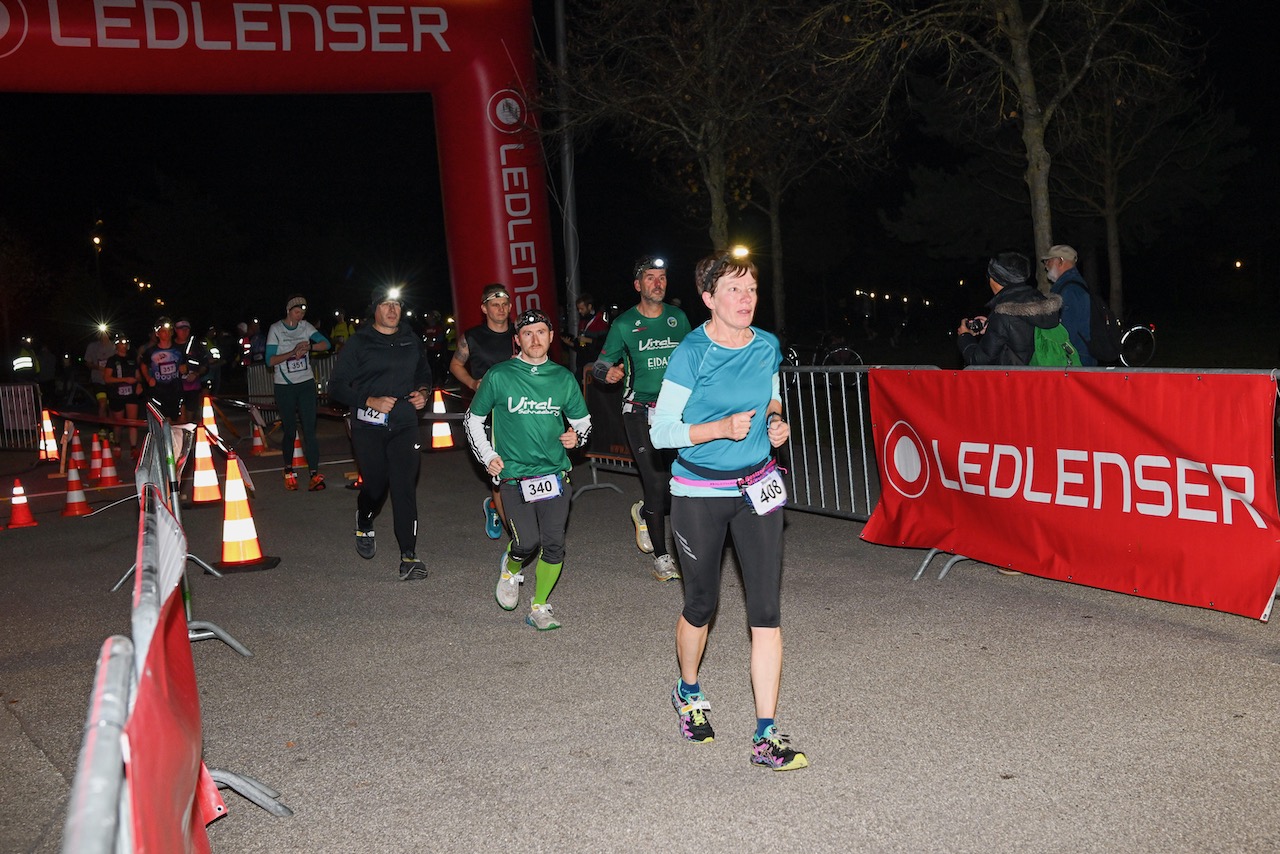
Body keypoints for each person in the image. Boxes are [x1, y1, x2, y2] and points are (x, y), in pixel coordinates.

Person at [650, 248, 808, 771]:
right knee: (702, 605)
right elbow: (662, 430)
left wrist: (776, 420)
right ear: (708, 298)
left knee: (766, 612)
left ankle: (767, 733)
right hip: (698, 492)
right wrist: (718, 429)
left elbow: (770, 392)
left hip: (757, 487)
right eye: (734, 290)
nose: (746, 299)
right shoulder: (692, 353)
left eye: (752, 289)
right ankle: (688, 690)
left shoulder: (766, 345)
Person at [463, 308, 591, 630]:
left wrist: (577, 437)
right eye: (528, 333)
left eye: (542, 332)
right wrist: (487, 455)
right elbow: (473, 420)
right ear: (517, 339)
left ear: (550, 337)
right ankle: (511, 566)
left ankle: (540, 605)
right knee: (526, 542)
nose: (535, 339)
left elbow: (584, 422)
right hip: (514, 476)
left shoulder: (563, 378)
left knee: (555, 543)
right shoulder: (499, 375)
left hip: (554, 475)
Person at [593, 256, 691, 582]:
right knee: (657, 482)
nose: (657, 283)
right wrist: (609, 373)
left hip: (675, 412)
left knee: (682, 484)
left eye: (662, 277)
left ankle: (645, 513)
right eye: (650, 278)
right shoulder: (624, 324)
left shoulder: (678, 318)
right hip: (638, 411)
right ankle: (663, 558)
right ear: (638, 285)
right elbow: (599, 366)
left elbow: (693, 361)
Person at [328, 285, 432, 581]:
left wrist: (423, 392)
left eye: (396, 305)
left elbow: (424, 373)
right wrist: (369, 400)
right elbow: (336, 387)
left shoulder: (411, 340)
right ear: (374, 309)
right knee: (376, 485)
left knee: (403, 487)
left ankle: (409, 556)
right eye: (385, 304)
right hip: (368, 425)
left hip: (404, 424)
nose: (392, 310)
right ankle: (365, 517)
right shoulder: (359, 343)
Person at [450, 283, 518, 540]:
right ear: (484, 308)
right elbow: (456, 363)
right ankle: (515, 536)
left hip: (520, 412)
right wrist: (472, 383)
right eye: (494, 304)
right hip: (488, 414)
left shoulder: (521, 334)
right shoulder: (472, 337)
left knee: (522, 470)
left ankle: (496, 507)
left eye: (504, 304)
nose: (500, 309)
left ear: (510, 307)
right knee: (499, 474)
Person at [266, 295, 332, 491]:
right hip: (284, 386)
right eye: (297, 311)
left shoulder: (305, 327)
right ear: (288, 311)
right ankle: (288, 470)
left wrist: (309, 346)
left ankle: (314, 474)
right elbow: (270, 361)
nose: (300, 315)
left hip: (305, 384)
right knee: (289, 430)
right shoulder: (276, 329)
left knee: (309, 429)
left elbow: (326, 344)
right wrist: (292, 353)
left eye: (303, 312)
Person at [957, 252, 1064, 366]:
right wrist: (991, 326)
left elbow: (978, 360)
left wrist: (965, 337)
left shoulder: (1004, 312)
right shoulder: (1038, 300)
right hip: (1037, 378)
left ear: (994, 278)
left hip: (1011, 381)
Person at [1041, 244, 1096, 366]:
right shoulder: (1074, 285)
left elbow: (1065, 331)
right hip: (1080, 355)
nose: (1045, 266)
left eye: (1048, 261)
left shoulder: (1069, 290)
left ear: (1060, 260)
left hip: (1075, 358)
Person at [103, 334, 142, 458]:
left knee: (132, 422)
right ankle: (117, 444)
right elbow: (107, 378)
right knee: (118, 423)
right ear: (116, 345)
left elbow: (138, 375)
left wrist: (139, 383)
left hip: (131, 394)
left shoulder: (132, 359)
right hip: (116, 394)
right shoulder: (112, 360)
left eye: (125, 343)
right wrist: (124, 379)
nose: (123, 346)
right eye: (121, 343)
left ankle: (133, 448)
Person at [139, 317, 186, 420]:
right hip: (158, 390)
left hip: (175, 389)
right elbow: (143, 365)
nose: (167, 333)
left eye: (169, 331)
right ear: (157, 334)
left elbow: (184, 365)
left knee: (181, 418)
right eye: (163, 331)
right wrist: (148, 378)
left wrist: (184, 369)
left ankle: (179, 436)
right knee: (164, 420)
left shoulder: (178, 350)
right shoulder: (151, 351)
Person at [559, 293, 610, 375]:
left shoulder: (600, 322)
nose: (579, 311)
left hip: (594, 365)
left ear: (589, 307)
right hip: (581, 364)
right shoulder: (582, 321)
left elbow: (604, 344)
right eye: (578, 309)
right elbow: (581, 345)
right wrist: (571, 343)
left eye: (582, 309)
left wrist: (589, 340)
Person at [174, 319, 212, 423]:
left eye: (187, 329)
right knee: (179, 417)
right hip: (175, 387)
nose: (184, 332)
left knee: (190, 418)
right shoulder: (170, 346)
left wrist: (196, 373)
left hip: (192, 387)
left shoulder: (197, 346)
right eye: (181, 329)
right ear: (175, 330)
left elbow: (205, 365)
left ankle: (188, 436)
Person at [84, 326, 115, 422]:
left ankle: (111, 429)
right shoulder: (92, 347)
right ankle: (103, 427)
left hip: (112, 381)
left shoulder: (114, 346)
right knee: (102, 404)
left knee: (112, 406)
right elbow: (87, 362)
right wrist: (98, 367)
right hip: (98, 380)